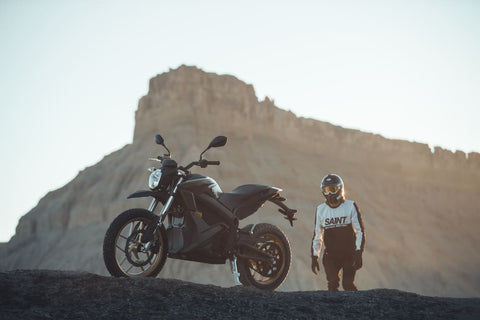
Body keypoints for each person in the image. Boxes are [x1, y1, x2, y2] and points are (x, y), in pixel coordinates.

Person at [311, 173, 365, 291]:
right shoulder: (321, 210)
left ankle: (356, 307)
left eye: (333, 189)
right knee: (332, 283)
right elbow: (317, 235)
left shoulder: (350, 206)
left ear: (340, 189)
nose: (329, 193)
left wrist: (358, 252)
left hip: (349, 255)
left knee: (348, 284)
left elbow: (359, 231)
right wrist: (314, 256)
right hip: (331, 257)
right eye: (326, 190)